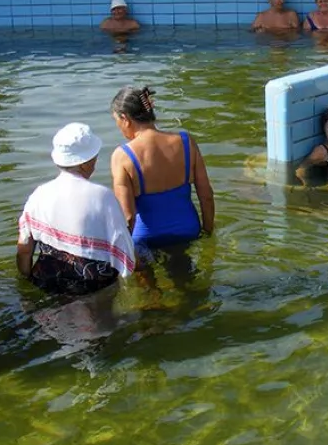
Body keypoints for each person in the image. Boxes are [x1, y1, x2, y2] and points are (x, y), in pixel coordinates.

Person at [17, 123, 137, 295]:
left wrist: (26, 283)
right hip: (92, 284)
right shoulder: (102, 197)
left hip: (46, 280)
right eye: (94, 157)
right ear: (84, 165)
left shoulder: (39, 193)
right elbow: (123, 248)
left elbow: (24, 250)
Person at [110, 86, 215, 249]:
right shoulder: (186, 142)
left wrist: (126, 254)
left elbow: (128, 217)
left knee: (147, 265)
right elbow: (206, 196)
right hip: (188, 231)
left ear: (125, 119)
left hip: (146, 239)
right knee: (184, 263)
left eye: (116, 121)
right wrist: (208, 233)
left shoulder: (123, 156)